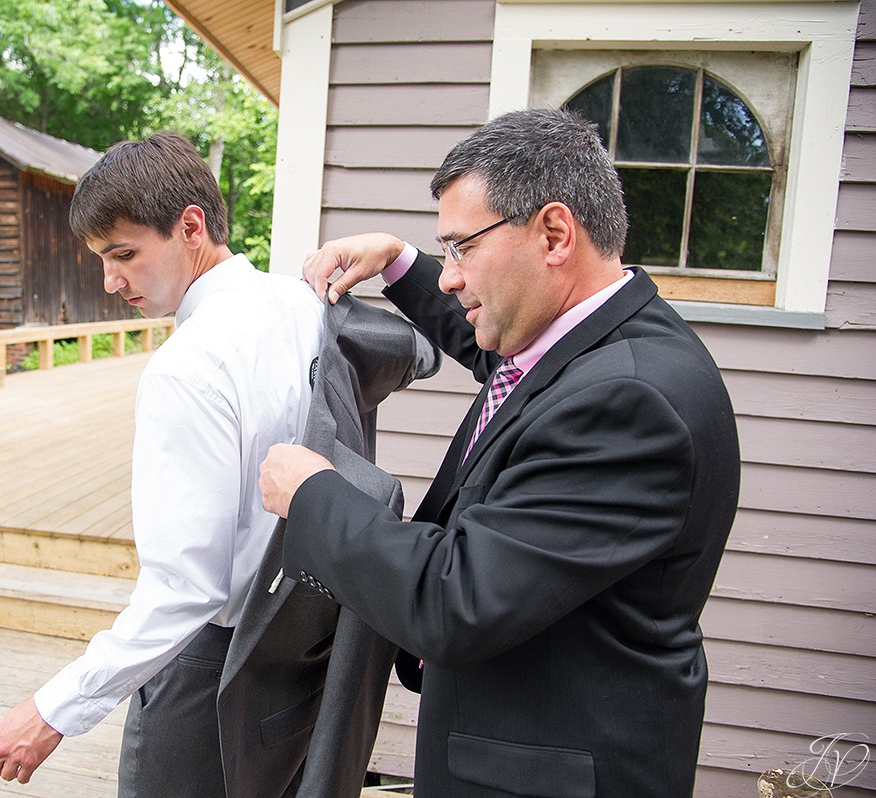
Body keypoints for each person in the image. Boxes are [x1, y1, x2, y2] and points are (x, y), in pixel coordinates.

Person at [258, 108, 741, 797]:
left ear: (552, 233)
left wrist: (313, 495)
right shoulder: (597, 338)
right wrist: (400, 263)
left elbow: (455, 601)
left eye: (461, 248)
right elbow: (508, 363)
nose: (450, 277)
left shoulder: (628, 407)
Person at [0, 132, 329, 795]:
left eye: (124, 255)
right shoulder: (302, 305)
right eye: (102, 260)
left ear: (190, 226)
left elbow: (187, 588)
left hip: (211, 667)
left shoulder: (188, 366)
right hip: (301, 647)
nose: (110, 281)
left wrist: (53, 709)